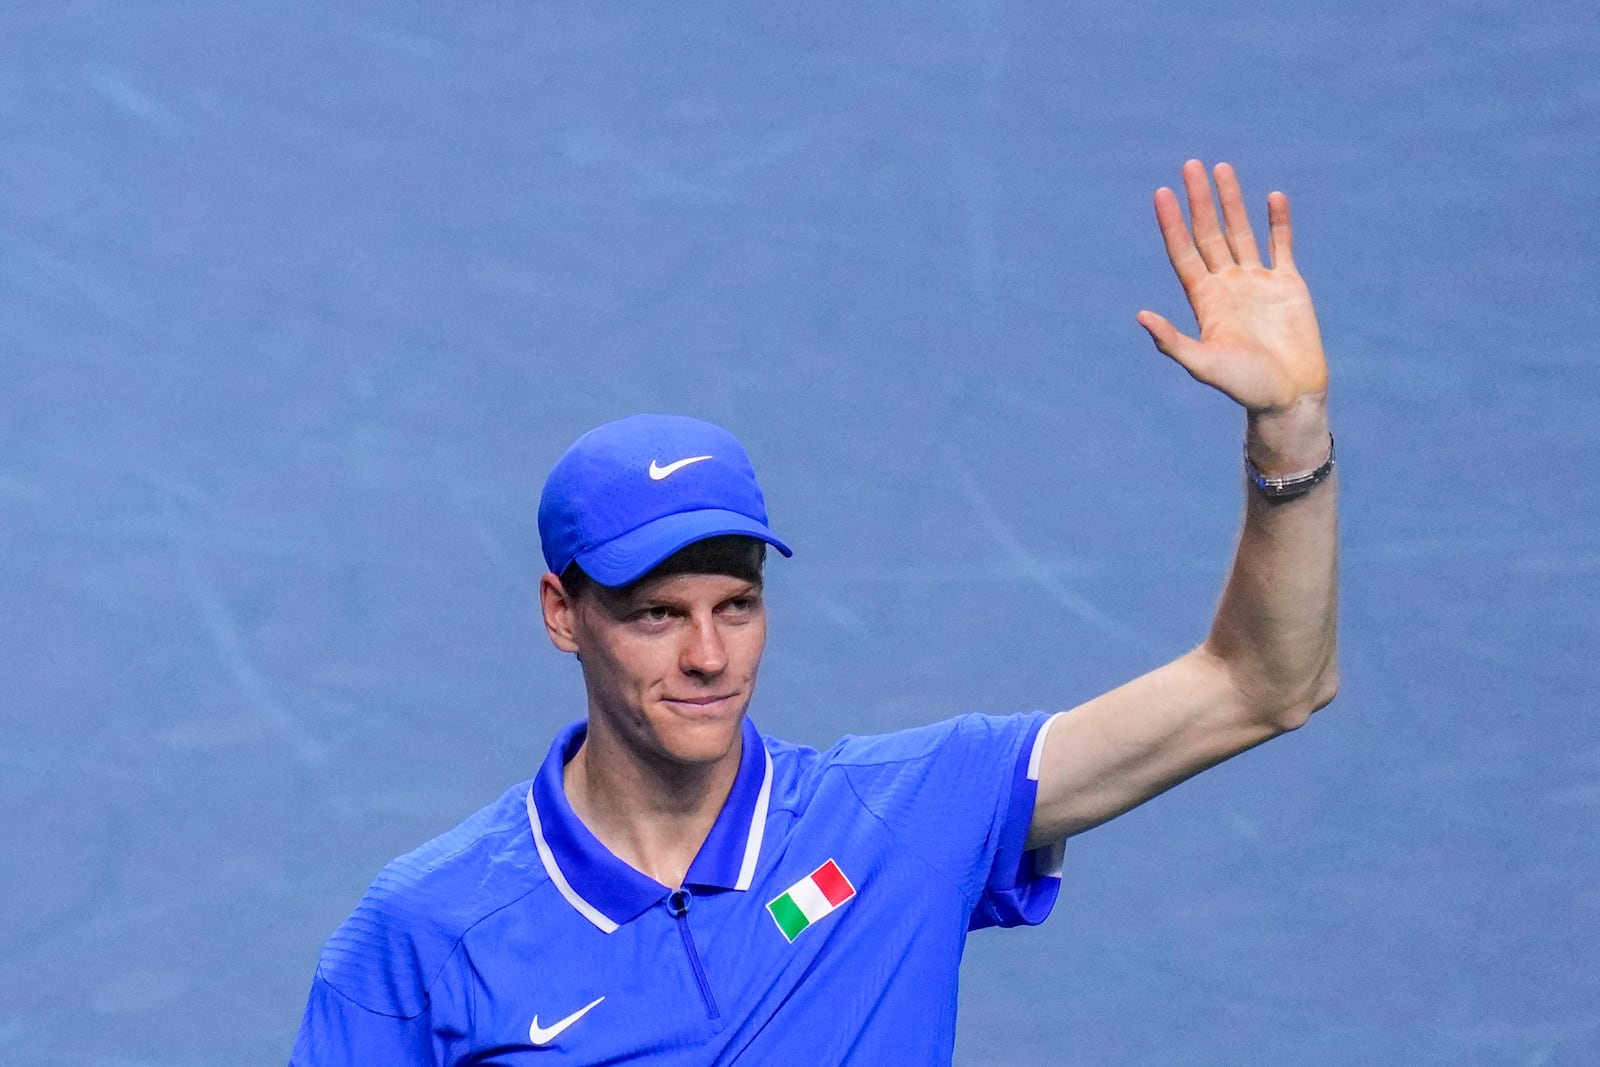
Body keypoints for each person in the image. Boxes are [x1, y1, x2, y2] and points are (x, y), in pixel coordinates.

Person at [291, 159, 1338, 1065]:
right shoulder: (424, 931)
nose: (709, 655)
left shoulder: (901, 819)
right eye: (657, 614)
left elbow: (1260, 684)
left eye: (736, 605)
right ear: (563, 614)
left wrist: (1288, 429)